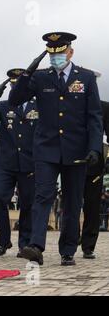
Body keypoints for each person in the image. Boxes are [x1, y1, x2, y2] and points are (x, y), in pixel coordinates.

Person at [9, 32, 103, 266]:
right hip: (46, 148)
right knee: (42, 196)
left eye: (60, 53)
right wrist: (27, 73)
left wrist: (95, 148)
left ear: (70, 52)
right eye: (52, 54)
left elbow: (94, 117)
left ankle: (68, 249)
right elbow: (15, 99)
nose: (56, 58)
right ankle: (36, 246)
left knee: (73, 201)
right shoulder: (40, 78)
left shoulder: (87, 78)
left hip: (77, 150)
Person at [0, 68, 38, 258]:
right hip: (6, 162)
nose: (14, 87)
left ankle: (24, 243)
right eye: (11, 84)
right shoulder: (4, 105)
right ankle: (4, 240)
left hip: (30, 162)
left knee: (28, 203)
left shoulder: (39, 105)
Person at [80, 100, 109, 259]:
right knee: (71, 204)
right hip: (72, 161)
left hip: (95, 164)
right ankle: (70, 239)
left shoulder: (104, 107)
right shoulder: (72, 103)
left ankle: (88, 245)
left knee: (92, 206)